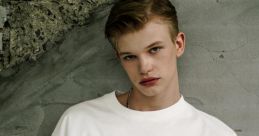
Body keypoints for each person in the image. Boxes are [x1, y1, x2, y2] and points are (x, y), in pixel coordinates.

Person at [52, 0, 237, 136]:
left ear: (178, 44)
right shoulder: (79, 123)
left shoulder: (216, 133)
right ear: (120, 59)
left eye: (154, 49)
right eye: (130, 57)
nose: (144, 67)